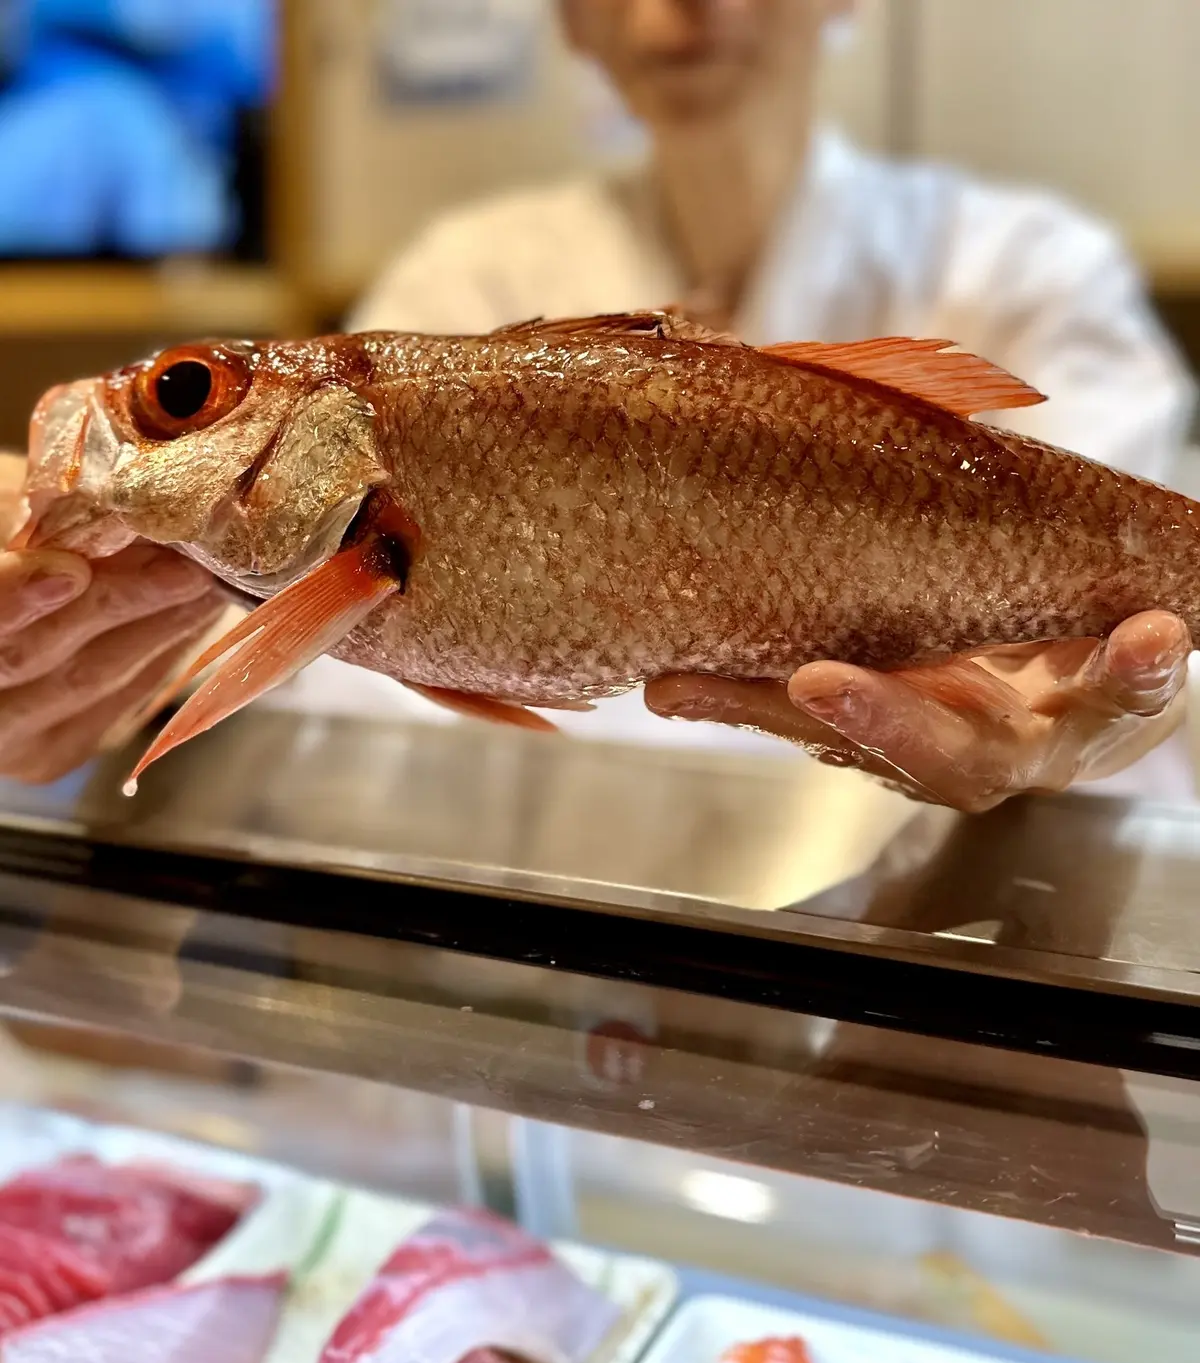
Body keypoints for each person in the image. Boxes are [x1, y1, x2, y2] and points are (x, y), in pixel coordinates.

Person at [0, 0, 1195, 810]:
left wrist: (1114, 717)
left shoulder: (1031, 267)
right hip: (552, 960)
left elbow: (1133, 649)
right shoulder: (459, 282)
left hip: (941, 982)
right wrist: (75, 678)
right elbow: (279, 668)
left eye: (182, 399)